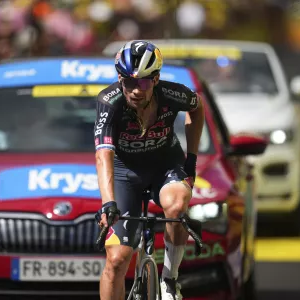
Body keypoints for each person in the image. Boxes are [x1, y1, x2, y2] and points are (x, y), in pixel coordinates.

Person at [94, 40, 205, 300]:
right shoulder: (109, 102)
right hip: (125, 172)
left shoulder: (173, 94)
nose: (134, 91)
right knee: (117, 260)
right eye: (128, 82)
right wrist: (108, 203)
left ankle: (169, 280)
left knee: (176, 207)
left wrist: (192, 156)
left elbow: (197, 108)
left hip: (165, 164)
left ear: (155, 79)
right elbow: (103, 155)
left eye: (142, 83)